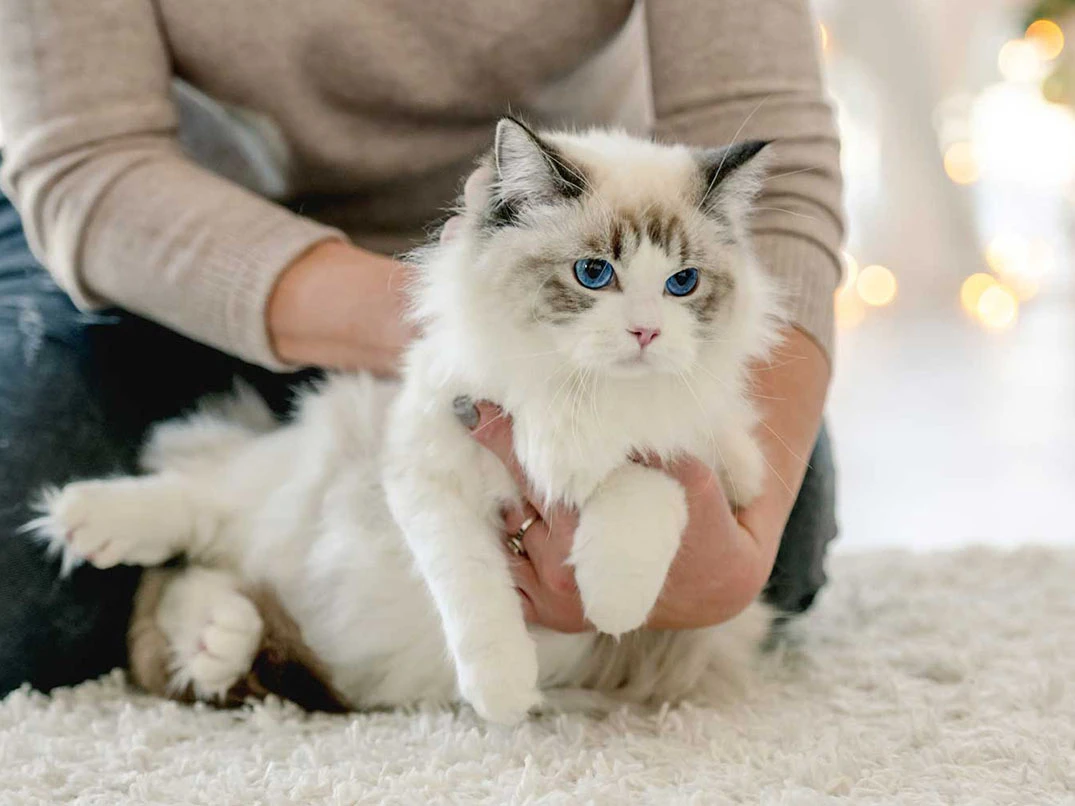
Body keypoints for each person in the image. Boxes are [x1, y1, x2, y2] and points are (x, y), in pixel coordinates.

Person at [0, 1, 842, 697]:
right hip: (186, 243)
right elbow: (90, 164)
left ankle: (271, 593)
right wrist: (469, 340)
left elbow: (781, 172)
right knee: (28, 581)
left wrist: (734, 558)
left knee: (774, 547)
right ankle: (214, 534)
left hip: (592, 229)